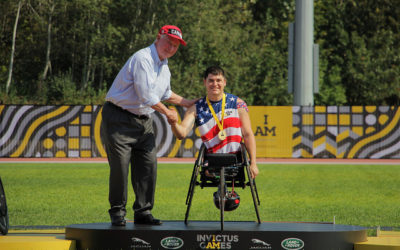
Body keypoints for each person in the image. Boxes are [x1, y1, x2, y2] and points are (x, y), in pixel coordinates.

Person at [101, 25, 196, 226]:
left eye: (176, 45)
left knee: (148, 166)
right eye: (169, 42)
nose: (171, 47)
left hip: (144, 121)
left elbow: (165, 94)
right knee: (120, 168)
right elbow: (146, 96)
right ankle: (117, 212)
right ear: (158, 37)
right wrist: (168, 112)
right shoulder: (142, 58)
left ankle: (143, 212)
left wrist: (187, 102)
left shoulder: (164, 65)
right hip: (119, 118)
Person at [169, 66, 259, 179]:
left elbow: (247, 134)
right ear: (204, 82)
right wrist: (173, 123)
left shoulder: (238, 104)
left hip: (235, 161)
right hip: (211, 163)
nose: (215, 84)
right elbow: (181, 134)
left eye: (218, 80)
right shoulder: (196, 107)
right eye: (211, 80)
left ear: (224, 82)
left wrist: (253, 163)